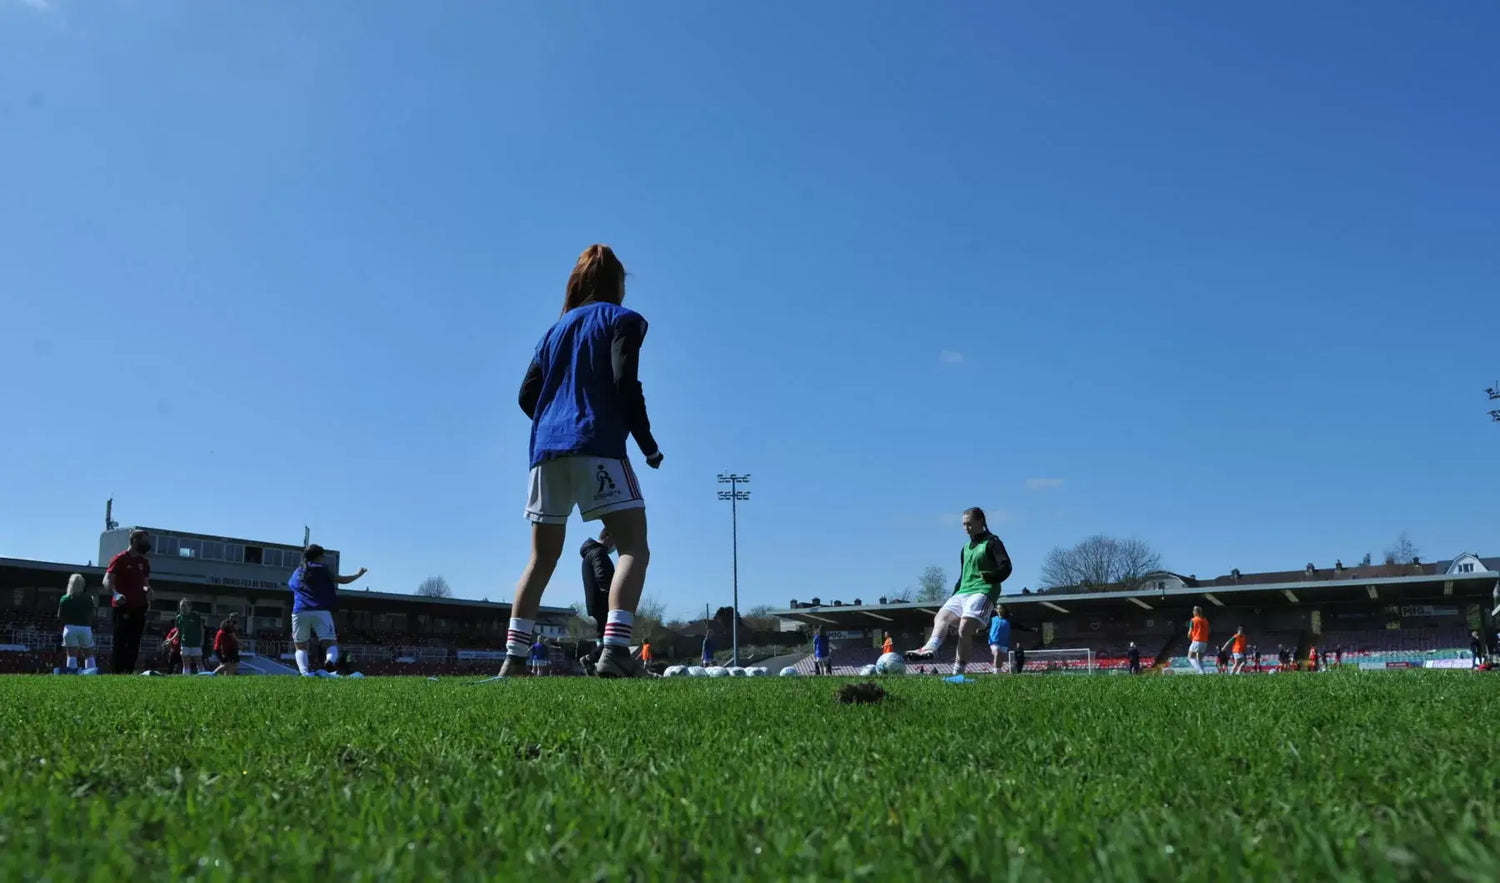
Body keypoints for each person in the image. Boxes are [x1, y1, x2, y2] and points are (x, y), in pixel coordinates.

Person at [501, 245, 663, 679]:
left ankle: (514, 660)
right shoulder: (622, 320)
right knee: (633, 546)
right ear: (617, 284)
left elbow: (524, 396)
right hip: (597, 445)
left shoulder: (551, 332)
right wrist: (647, 444)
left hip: (545, 453)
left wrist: (555, 419)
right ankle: (615, 651)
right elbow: (625, 382)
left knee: (541, 560)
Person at [905, 508, 1013, 676]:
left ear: (981, 521)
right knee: (941, 616)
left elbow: (1006, 567)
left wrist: (991, 577)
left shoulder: (993, 542)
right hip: (963, 591)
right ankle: (930, 648)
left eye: (969, 524)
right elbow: (963, 575)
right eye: (964, 525)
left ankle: (958, 673)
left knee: (964, 628)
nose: (966, 528)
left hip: (983, 591)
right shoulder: (965, 548)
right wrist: (954, 595)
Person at [287, 544, 367, 677]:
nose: (324, 558)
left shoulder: (298, 571)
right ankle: (329, 662)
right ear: (318, 556)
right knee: (330, 643)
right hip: (320, 611)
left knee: (300, 646)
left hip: (299, 611)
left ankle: (305, 674)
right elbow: (342, 580)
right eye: (323, 555)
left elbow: (292, 586)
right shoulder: (322, 569)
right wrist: (358, 574)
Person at [103, 529, 152, 674]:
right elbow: (106, 580)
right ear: (135, 540)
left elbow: (145, 583)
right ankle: (116, 672)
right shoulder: (120, 558)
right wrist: (115, 593)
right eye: (144, 540)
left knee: (134, 642)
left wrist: (148, 589)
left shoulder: (144, 562)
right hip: (122, 606)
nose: (147, 544)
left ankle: (129, 671)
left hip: (140, 606)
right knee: (120, 641)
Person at [578, 529, 616, 674]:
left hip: (594, 602)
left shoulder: (589, 554)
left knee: (602, 635)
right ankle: (590, 659)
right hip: (603, 601)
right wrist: (612, 597)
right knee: (613, 636)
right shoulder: (599, 553)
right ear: (608, 537)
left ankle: (596, 664)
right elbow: (602, 579)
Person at [57, 574, 98, 673]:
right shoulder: (88, 598)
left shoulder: (64, 599)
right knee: (89, 654)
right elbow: (93, 614)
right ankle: (91, 675)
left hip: (70, 628)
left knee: (71, 655)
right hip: (85, 628)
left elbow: (59, 616)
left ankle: (71, 677)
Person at [174, 598, 206, 675]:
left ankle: (203, 678)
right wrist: (171, 640)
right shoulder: (178, 617)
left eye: (184, 606)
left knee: (199, 662)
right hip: (185, 643)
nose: (182, 608)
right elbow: (178, 631)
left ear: (190, 607)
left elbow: (202, 629)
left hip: (195, 643)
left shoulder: (196, 616)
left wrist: (202, 641)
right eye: (181, 606)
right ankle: (186, 678)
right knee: (186, 664)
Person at [988, 607, 1018, 674]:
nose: (1000, 610)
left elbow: (1018, 626)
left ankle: (998, 670)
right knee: (997, 653)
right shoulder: (993, 619)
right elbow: (987, 626)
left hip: (1004, 642)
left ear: (1004, 610)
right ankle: (996, 671)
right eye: (998, 609)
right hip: (994, 640)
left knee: (1001, 658)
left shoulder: (1008, 621)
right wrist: (980, 630)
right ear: (996, 610)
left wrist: (1030, 629)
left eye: (1001, 609)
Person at [1186, 607, 1210, 674]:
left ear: (1196, 612)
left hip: (1197, 640)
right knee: (1199, 658)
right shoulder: (1205, 620)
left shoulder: (1193, 620)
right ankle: (1204, 671)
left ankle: (1200, 671)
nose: (1193, 612)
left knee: (1190, 657)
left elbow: (1190, 632)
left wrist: (1189, 636)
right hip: (1204, 641)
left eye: (1193, 611)